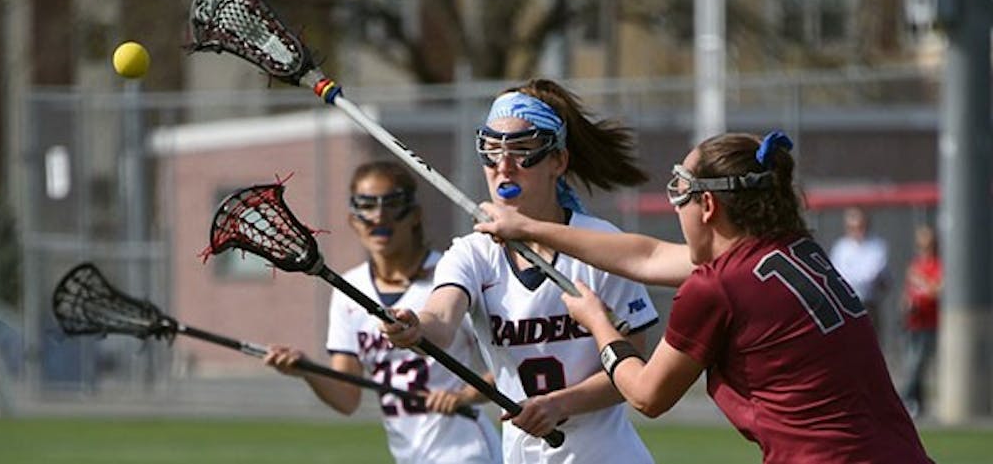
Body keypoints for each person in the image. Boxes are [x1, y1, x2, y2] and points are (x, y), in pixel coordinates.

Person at [477, 131, 933, 463]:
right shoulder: (795, 250)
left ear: (708, 206)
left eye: (680, 195)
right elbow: (646, 256)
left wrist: (598, 324)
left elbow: (647, 396)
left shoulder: (716, 287)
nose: (677, 210)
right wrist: (529, 228)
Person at [382, 79, 664, 464]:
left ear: (557, 161)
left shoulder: (601, 244)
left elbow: (634, 370)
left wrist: (561, 404)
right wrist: (414, 326)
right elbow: (440, 321)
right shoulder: (472, 254)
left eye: (522, 150)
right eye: (492, 150)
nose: (504, 166)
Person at [264, 160, 501, 464]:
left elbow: (513, 365)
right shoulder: (349, 289)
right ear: (353, 220)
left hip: (466, 451)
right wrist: (306, 370)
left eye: (391, 204)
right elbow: (347, 397)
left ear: (415, 214)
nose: (378, 217)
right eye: (366, 205)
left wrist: (466, 396)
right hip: (408, 454)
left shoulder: (451, 276)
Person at [899, 224, 941, 419]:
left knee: (917, 364)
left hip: (929, 323)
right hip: (913, 322)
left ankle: (907, 399)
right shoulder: (915, 265)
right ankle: (917, 403)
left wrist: (921, 281)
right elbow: (908, 291)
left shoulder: (937, 265)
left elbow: (936, 290)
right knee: (911, 363)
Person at [830, 206, 890, 328]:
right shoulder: (841, 248)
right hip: (846, 305)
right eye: (852, 227)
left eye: (860, 226)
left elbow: (871, 275)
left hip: (868, 304)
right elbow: (838, 274)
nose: (857, 231)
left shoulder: (877, 246)